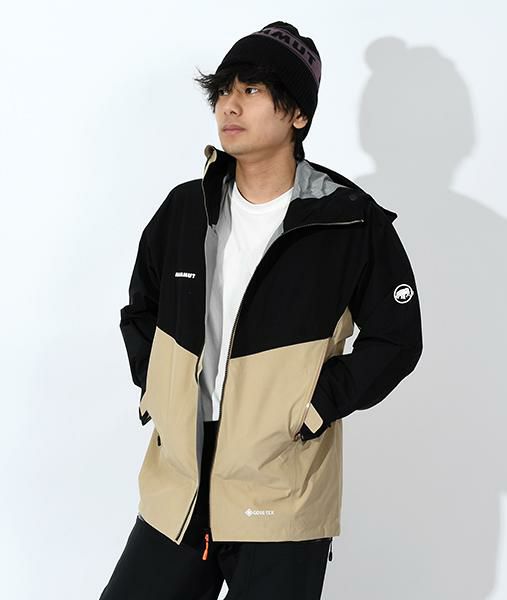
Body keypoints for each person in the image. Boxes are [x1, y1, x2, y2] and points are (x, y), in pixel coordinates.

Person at [99, 21, 423, 600]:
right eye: (224, 91)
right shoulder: (184, 210)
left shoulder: (348, 221)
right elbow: (140, 309)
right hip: (180, 487)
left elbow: (397, 340)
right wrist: (158, 389)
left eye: (251, 90)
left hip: (280, 492)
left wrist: (313, 408)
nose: (230, 105)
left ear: (297, 114)